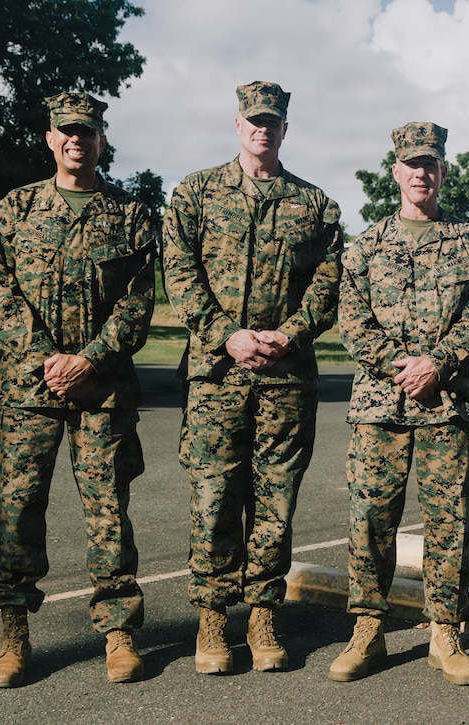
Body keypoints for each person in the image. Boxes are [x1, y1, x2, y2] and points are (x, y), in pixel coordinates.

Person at [162, 81, 343, 675]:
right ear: (237, 126)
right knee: (213, 497)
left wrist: (289, 333)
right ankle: (213, 618)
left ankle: (264, 614)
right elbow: (180, 273)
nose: (262, 129)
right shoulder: (195, 193)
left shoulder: (315, 203)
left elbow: (328, 281)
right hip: (217, 373)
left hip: (286, 376)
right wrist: (227, 334)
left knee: (276, 500)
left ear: (285, 129)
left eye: (272, 121)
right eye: (252, 120)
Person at [0, 92, 156, 687]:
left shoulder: (131, 215)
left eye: (87, 131)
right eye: (66, 131)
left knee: (109, 511)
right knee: (18, 510)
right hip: (28, 390)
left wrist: (90, 359)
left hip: (102, 391)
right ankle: (13, 636)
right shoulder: (14, 211)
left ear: (102, 139)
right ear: (50, 137)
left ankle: (118, 633)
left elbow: (138, 304)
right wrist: (45, 358)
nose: (76, 140)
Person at [329, 122, 469, 686]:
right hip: (380, 406)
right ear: (395, 172)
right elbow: (350, 318)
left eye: (430, 164)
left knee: (448, 521)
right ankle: (367, 629)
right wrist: (396, 365)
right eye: (411, 164)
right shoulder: (366, 246)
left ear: (443, 172)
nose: (421, 172)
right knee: (371, 520)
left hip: (445, 405)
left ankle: (445, 632)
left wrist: (438, 362)